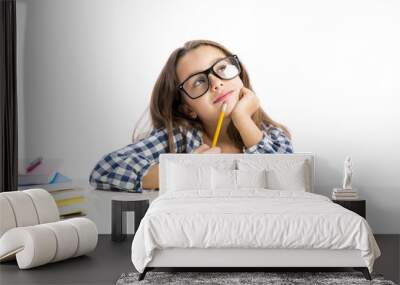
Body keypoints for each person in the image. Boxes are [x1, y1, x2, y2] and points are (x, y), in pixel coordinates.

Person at [89, 39, 294, 192]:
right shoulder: (181, 138)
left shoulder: (273, 136)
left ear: (239, 75)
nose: (216, 83)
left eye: (222, 67)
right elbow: (106, 169)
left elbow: (287, 179)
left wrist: (242, 118)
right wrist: (186, 171)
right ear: (188, 109)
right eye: (198, 81)